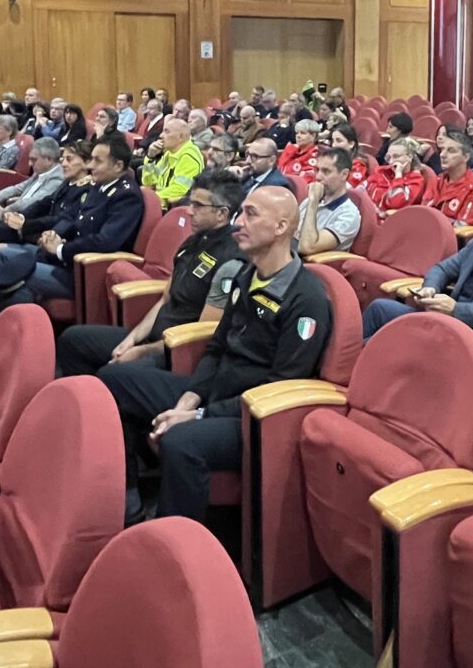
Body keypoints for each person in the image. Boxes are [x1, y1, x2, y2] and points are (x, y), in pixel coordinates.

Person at [95, 187, 330, 523]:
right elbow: (217, 346)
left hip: (249, 417)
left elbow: (281, 386)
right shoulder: (246, 274)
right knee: (114, 379)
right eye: (241, 213)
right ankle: (129, 495)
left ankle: (173, 537)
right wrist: (189, 400)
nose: (239, 223)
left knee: (180, 440)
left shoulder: (306, 300)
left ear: (280, 227)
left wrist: (201, 415)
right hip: (214, 390)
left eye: (251, 214)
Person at [55, 169, 246, 378]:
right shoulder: (194, 241)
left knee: (112, 373)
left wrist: (143, 350)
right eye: (190, 203)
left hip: (175, 351)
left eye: (198, 206)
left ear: (222, 213)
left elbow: (199, 336)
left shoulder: (230, 258)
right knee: (72, 340)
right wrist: (133, 339)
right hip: (153, 336)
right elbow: (166, 299)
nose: (189, 211)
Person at [362, 186, 473, 339]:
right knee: (379, 308)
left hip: (469, 335)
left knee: (382, 343)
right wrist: (431, 288)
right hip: (443, 322)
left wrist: (456, 309)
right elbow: (442, 269)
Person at [0, 133, 143, 310]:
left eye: (97, 161)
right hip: (65, 256)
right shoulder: (100, 185)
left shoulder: (126, 196)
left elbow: (105, 242)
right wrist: (54, 235)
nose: (91, 165)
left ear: (118, 165)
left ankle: (11, 327)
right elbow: (72, 217)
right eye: (91, 159)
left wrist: (61, 249)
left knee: (17, 275)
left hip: (82, 272)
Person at [0, 136, 66, 240]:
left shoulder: (57, 180)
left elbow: (31, 202)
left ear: (48, 159)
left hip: (20, 225)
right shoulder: (41, 172)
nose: (30, 164)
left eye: (34, 160)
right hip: (8, 217)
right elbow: (17, 188)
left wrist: (3, 212)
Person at [296, 150, 362, 256]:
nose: (318, 177)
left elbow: (307, 248)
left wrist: (313, 202)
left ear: (344, 174)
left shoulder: (348, 215)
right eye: (317, 170)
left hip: (310, 268)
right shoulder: (309, 200)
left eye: (326, 171)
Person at [141, 116, 204, 205]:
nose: (161, 135)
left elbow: (179, 190)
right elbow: (149, 182)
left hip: (169, 207)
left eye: (166, 132)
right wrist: (150, 157)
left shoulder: (189, 157)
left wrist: (152, 199)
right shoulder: (170, 153)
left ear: (180, 137)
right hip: (159, 202)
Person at [427, 131, 473, 225]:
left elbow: (463, 226)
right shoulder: (435, 180)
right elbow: (424, 211)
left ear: (465, 157)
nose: (442, 155)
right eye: (442, 149)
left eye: (451, 151)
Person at [369, 137, 433, 211]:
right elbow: (364, 194)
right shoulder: (381, 171)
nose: (391, 161)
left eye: (396, 156)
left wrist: (398, 176)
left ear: (409, 157)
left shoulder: (416, 180)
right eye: (388, 157)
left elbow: (395, 203)